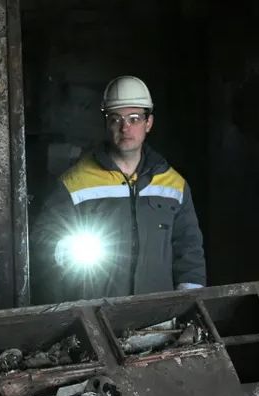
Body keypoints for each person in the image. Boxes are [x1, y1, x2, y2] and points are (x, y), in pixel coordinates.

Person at [34, 76, 207, 304]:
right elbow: (44, 239)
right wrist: (63, 248)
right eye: (116, 119)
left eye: (134, 118)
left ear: (149, 123)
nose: (125, 127)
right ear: (106, 123)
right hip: (97, 319)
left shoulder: (173, 185)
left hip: (159, 318)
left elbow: (189, 251)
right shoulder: (75, 182)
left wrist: (190, 308)